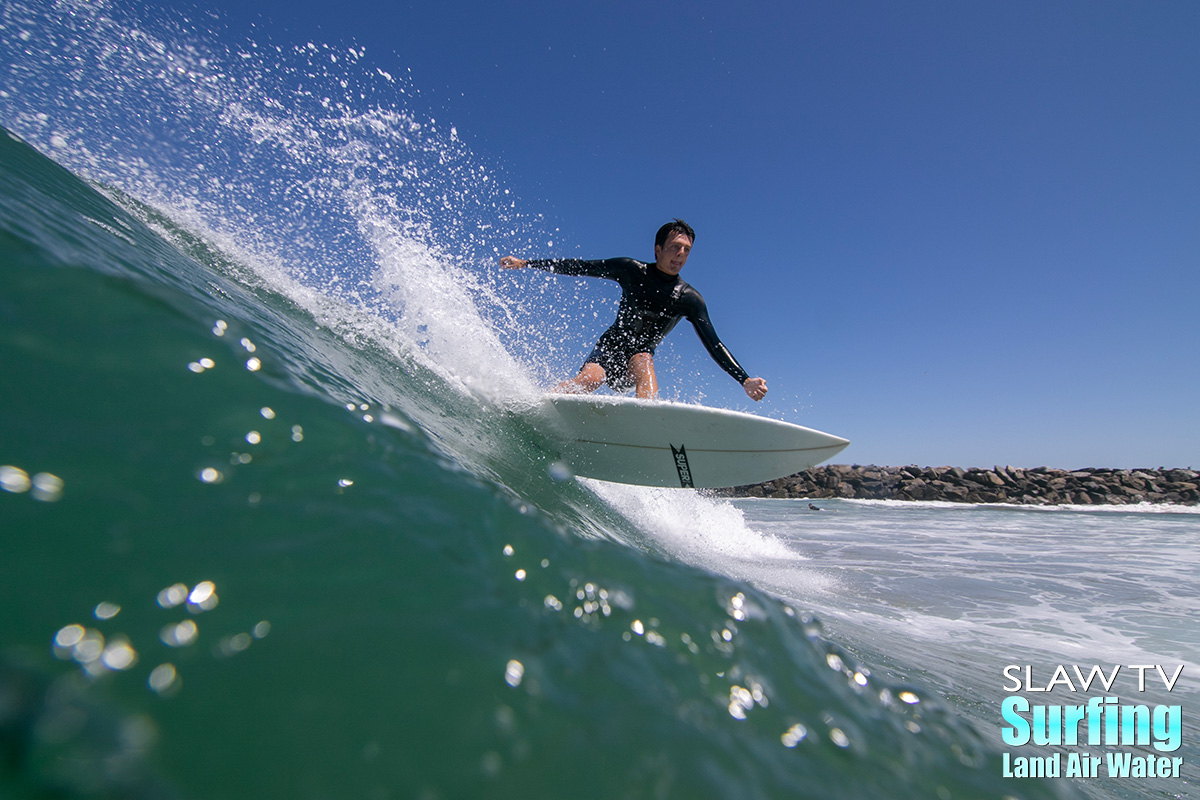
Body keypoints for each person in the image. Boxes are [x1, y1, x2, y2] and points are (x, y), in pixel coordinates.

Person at [500, 219, 768, 401]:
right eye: (675, 247)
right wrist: (526, 263)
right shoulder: (631, 270)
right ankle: (542, 402)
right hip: (610, 345)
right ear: (658, 249)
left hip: (636, 363)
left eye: (686, 250)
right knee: (591, 379)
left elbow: (714, 344)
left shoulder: (689, 298)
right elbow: (581, 266)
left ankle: (643, 420)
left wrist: (744, 380)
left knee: (643, 359)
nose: (681, 255)